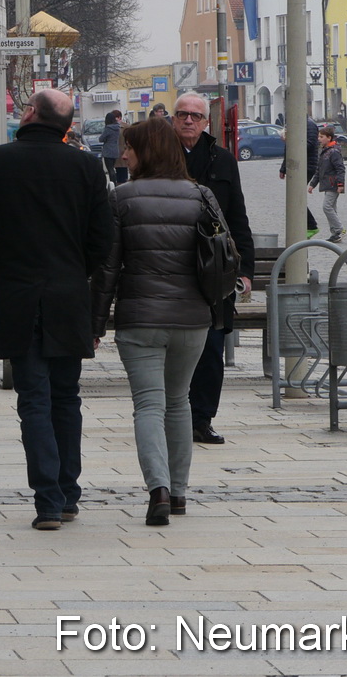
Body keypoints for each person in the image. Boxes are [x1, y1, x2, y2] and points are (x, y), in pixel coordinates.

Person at [0, 89, 115, 531]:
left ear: (29, 114)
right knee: (66, 396)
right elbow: (103, 239)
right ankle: (67, 493)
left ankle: (48, 499)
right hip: (68, 295)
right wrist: (74, 269)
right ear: (65, 125)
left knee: (34, 399)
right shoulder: (85, 165)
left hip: (18, 292)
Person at [92, 118, 218, 528]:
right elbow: (223, 254)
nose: (123, 153)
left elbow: (108, 269)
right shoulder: (201, 195)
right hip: (191, 317)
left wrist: (96, 323)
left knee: (149, 403)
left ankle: (158, 490)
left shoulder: (121, 198)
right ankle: (179, 492)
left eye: (129, 147)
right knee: (178, 401)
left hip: (140, 318)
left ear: (146, 151)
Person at [172, 92, 255, 446]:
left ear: (206, 122)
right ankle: (173, 416)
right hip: (171, 266)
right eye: (182, 115)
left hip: (215, 268)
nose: (189, 121)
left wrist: (245, 268)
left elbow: (237, 214)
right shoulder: (160, 156)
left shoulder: (222, 159)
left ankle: (201, 419)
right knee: (173, 349)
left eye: (195, 116)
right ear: (173, 119)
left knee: (212, 347)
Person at [278, 116, 320, 236]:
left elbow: (310, 144)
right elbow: (288, 149)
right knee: (294, 196)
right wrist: (283, 167)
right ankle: (305, 226)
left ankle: (311, 226)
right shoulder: (294, 123)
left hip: (306, 165)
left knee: (296, 197)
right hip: (297, 165)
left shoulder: (310, 125)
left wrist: (291, 142)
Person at [312, 125, 347, 243]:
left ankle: (340, 229)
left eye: (321, 137)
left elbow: (340, 169)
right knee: (332, 208)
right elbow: (319, 169)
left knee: (327, 207)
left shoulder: (334, 152)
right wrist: (313, 184)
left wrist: (340, 184)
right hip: (328, 184)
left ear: (329, 138)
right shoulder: (325, 151)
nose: (319, 139)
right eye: (319, 136)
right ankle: (335, 233)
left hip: (333, 184)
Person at [99, 110, 125, 184]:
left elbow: (101, 139)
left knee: (110, 169)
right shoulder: (117, 128)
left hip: (108, 151)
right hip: (115, 150)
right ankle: (114, 182)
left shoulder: (108, 128)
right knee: (113, 168)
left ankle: (112, 183)